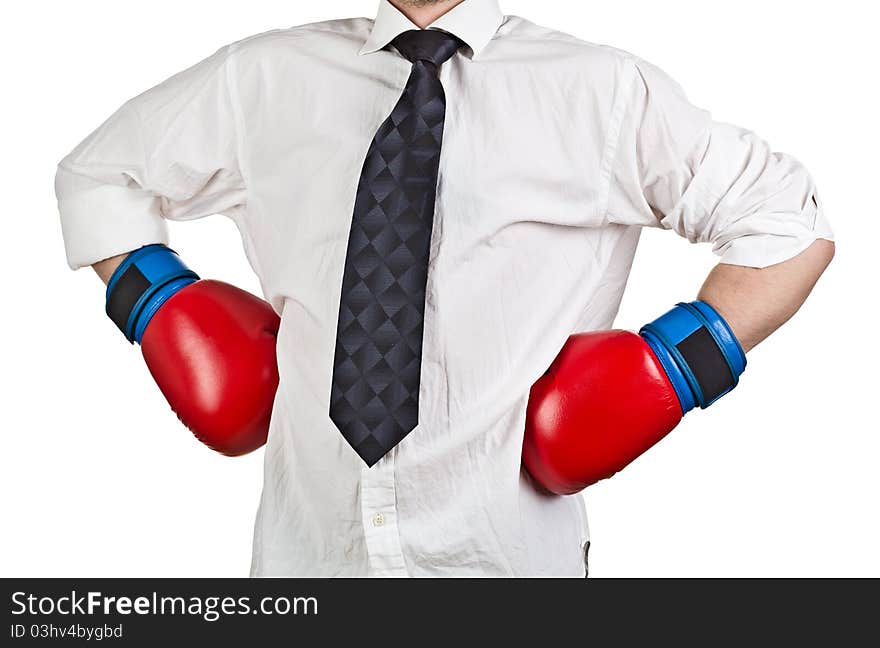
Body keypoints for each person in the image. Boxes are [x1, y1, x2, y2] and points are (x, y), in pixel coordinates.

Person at [55, 0, 834, 577]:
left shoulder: (599, 91)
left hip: (507, 564)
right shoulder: (261, 78)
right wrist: (161, 309)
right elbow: (98, 176)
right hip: (305, 562)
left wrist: (673, 367)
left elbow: (789, 225)